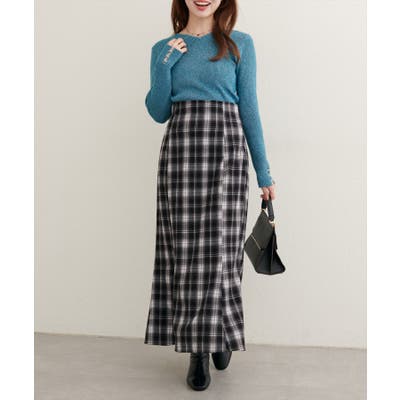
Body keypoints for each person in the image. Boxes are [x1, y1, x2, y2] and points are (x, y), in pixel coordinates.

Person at [143, 0, 276, 391]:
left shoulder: (239, 44)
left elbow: (249, 107)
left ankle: (220, 332)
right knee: (185, 251)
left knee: (222, 250)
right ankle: (197, 352)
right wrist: (164, 64)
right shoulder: (163, 48)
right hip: (181, 152)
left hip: (226, 152)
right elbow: (157, 111)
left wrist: (264, 171)